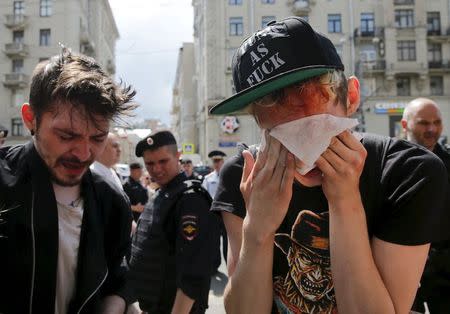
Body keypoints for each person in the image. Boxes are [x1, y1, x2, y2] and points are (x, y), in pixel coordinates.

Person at [208, 17, 449, 313]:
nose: (300, 156)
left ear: (350, 97)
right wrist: (257, 229)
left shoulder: (407, 172)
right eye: (279, 139)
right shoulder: (246, 175)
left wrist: (345, 200)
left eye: (313, 131)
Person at [0, 49, 136, 314]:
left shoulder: (112, 201)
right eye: (66, 135)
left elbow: (118, 280)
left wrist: (115, 305)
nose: (84, 154)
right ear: (31, 119)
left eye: (98, 138)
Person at [126, 130, 216, 314]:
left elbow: (194, 272)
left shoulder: (190, 200)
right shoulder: (163, 194)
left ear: (178, 156)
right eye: (150, 163)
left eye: (163, 161)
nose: (156, 169)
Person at [402, 98, 450, 313]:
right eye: (423, 123)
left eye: (437, 122)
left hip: (445, 272)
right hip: (401, 267)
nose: (432, 129)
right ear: (405, 125)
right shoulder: (386, 163)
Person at [202, 150, 228, 272]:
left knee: (228, 241)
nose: (217, 164)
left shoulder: (229, 176)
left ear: (223, 161)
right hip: (213, 214)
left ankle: (230, 264)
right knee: (214, 241)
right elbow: (203, 196)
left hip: (227, 214)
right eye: (214, 161)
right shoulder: (208, 179)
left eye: (219, 161)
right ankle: (215, 265)